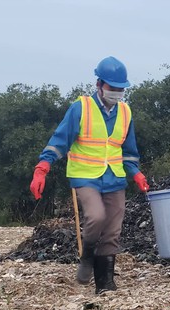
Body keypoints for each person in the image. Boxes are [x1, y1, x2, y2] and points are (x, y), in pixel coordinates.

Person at [29, 56, 149, 294]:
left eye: (120, 89)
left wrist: (135, 173)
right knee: (96, 217)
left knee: (113, 229)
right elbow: (59, 141)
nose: (117, 92)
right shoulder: (81, 108)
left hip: (114, 176)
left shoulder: (125, 112)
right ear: (99, 84)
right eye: (112, 88)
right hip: (86, 176)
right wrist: (42, 167)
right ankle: (87, 255)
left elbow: (129, 151)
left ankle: (105, 284)